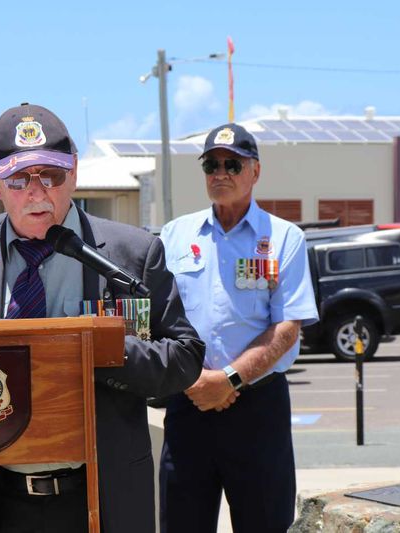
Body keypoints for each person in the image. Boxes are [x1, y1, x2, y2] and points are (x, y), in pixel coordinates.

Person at [0, 103, 204, 533]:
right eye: (18, 178)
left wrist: (103, 351)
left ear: (74, 172)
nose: (37, 193)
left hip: (101, 494)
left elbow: (185, 357)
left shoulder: (132, 252)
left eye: (51, 176)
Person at [158, 123, 319, 533]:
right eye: (211, 164)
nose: (220, 173)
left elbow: (287, 327)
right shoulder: (175, 235)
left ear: (255, 171)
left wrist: (229, 379)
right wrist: (196, 381)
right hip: (189, 404)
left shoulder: (284, 238)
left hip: (256, 410)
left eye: (232, 164)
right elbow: (161, 317)